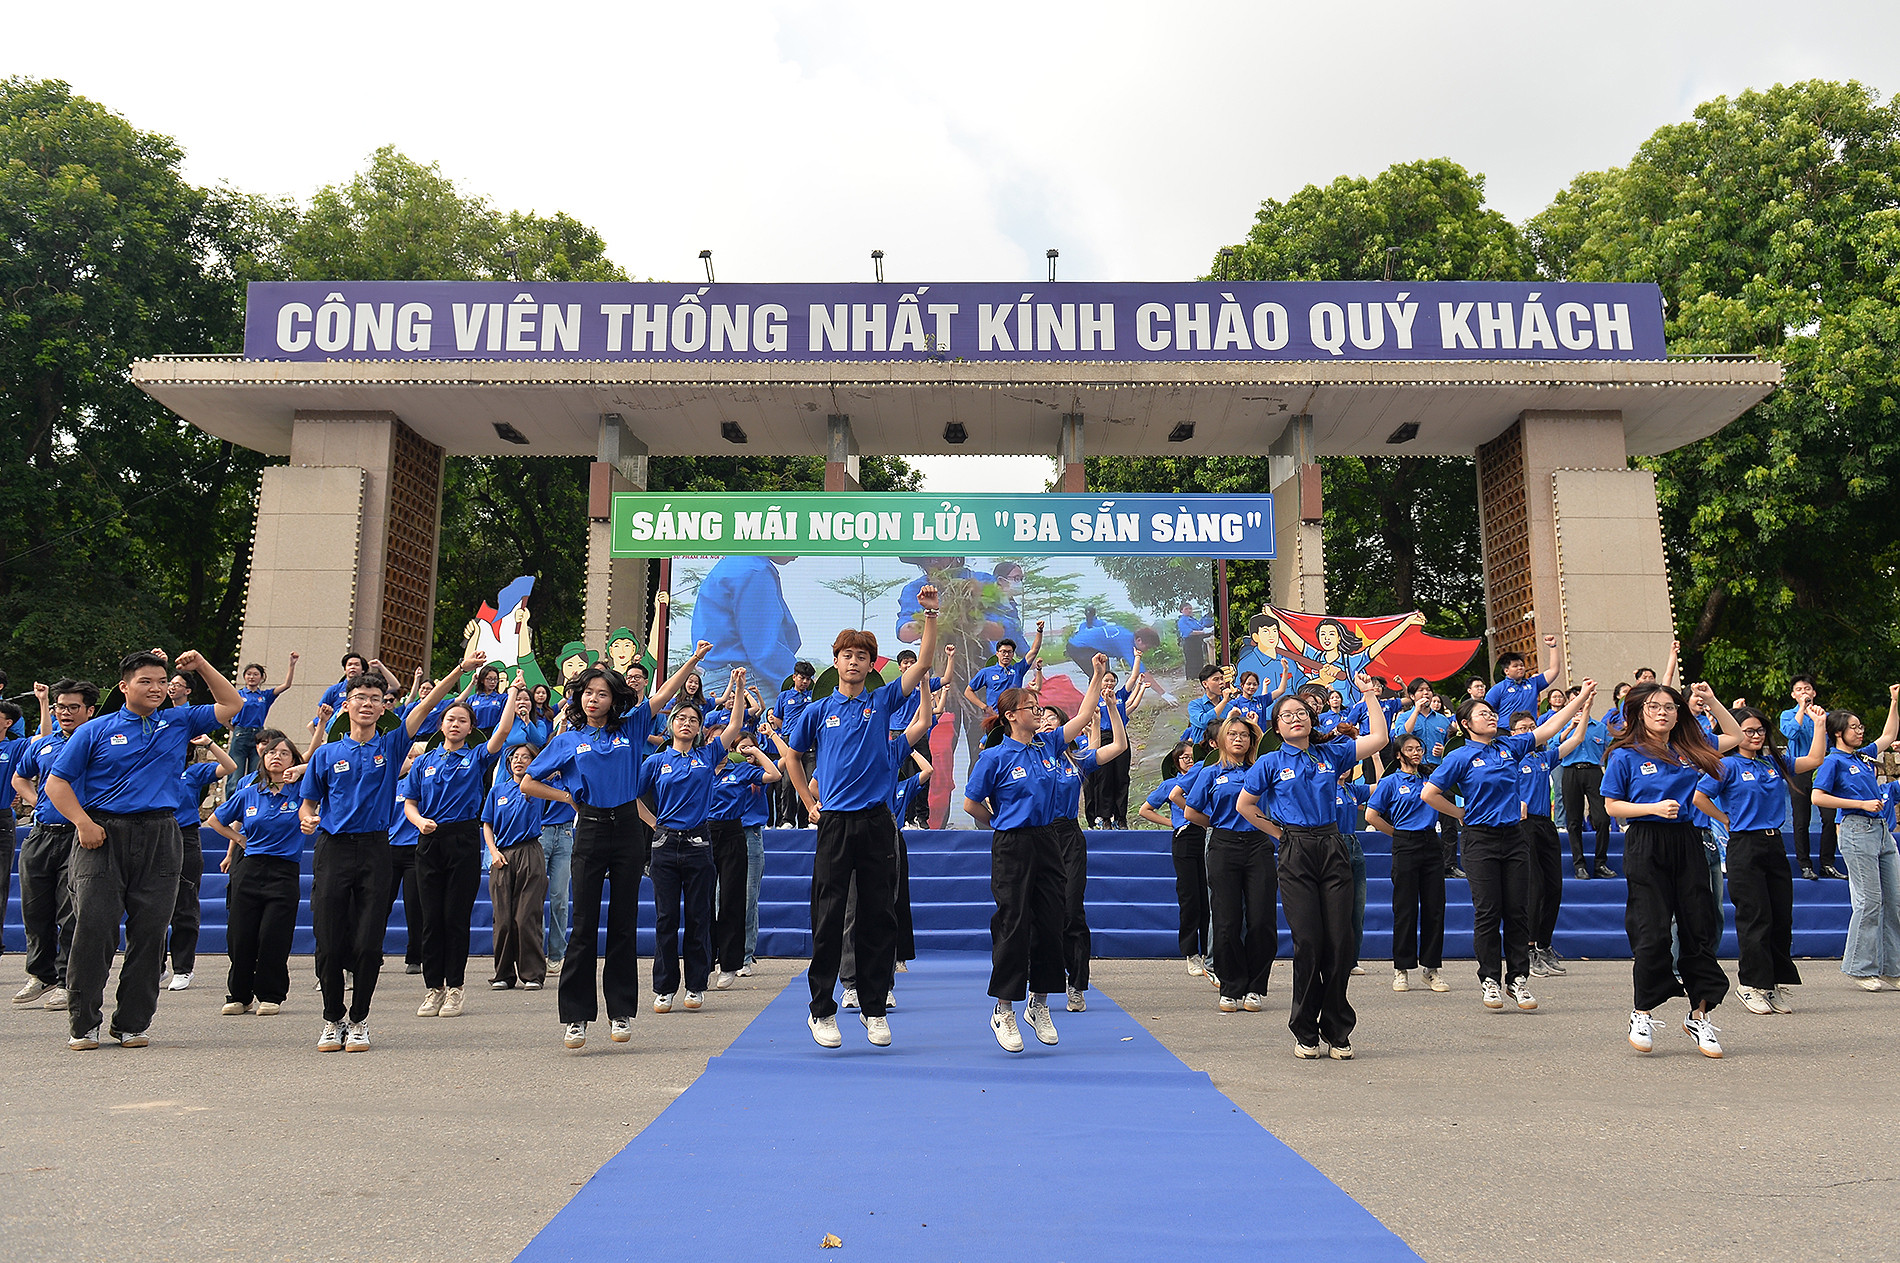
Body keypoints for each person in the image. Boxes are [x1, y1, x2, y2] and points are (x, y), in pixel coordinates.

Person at [44, 649, 242, 1050]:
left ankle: (132, 1022)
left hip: (161, 834)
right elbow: (57, 784)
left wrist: (202, 665)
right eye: (144, 681)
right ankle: (84, 1023)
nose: (155, 688)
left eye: (161, 681)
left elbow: (232, 703)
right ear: (124, 686)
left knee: (151, 933)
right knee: (95, 930)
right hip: (102, 834)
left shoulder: (177, 721)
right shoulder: (95, 730)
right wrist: (83, 823)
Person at [522, 642, 710, 1051]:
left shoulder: (632, 727)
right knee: (583, 925)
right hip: (588, 828)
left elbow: (661, 696)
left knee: (623, 924)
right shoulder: (568, 739)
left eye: (602, 693)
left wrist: (691, 661)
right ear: (578, 698)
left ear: (614, 699)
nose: (594, 699)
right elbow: (529, 782)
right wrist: (568, 798)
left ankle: (621, 1012)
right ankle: (575, 1019)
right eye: (588, 693)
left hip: (627, 828)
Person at [783, 588, 941, 1050]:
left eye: (862, 656)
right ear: (836, 661)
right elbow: (793, 757)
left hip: (876, 824)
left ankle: (874, 1008)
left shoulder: (884, 701)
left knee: (878, 917)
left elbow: (924, 664)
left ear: (873, 664)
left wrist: (929, 614)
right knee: (830, 917)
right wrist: (807, 803)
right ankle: (821, 1011)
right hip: (833, 823)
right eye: (846, 655)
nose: (853, 662)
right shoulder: (818, 710)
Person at [299, 654, 477, 1053]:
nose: (367, 704)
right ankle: (332, 1019)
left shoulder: (393, 744)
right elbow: (308, 804)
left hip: (375, 849)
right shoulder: (328, 753)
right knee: (328, 942)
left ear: (384, 707)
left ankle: (359, 1020)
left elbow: (429, 705)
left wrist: (459, 671)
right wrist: (308, 818)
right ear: (347, 704)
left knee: (367, 943)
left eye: (375, 698)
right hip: (333, 849)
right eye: (359, 697)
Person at [1235, 676, 1389, 1060]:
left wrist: (1369, 695)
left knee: (1340, 941)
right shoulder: (1269, 763)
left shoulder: (1331, 754)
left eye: (1301, 713)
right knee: (1308, 942)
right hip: (1296, 851)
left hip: (1333, 845)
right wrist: (1280, 835)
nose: (1295, 719)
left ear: (1311, 719)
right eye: (1286, 715)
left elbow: (1380, 740)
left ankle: (1337, 1028)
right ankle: (1305, 1029)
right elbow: (1245, 807)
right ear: (1277, 726)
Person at [1421, 682, 1596, 1015]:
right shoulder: (1459, 756)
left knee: (1517, 910)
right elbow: (1429, 794)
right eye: (1482, 714)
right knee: (1488, 911)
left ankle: (1517, 978)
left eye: (1491, 712)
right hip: (1479, 840)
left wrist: (1581, 701)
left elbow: (1551, 728)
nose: (1489, 716)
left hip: (1514, 838)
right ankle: (1489, 978)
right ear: (1465, 725)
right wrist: (1460, 814)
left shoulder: (1509, 747)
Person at [963, 655, 1106, 1053]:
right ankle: (1004, 1009)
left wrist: (1095, 677)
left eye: (1039, 707)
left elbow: (1083, 714)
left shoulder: (1049, 746)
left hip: (1048, 841)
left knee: (1051, 920)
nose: (1038, 712)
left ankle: (1039, 1003)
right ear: (1010, 716)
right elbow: (972, 804)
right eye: (1031, 708)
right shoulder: (995, 757)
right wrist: (1000, 823)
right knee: (1013, 922)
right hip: (1012, 844)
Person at [1601, 680, 1741, 1059]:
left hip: (1688, 842)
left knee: (1699, 928)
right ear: (1639, 713)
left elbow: (1735, 734)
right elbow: (1613, 806)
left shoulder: (1689, 749)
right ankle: (1642, 1012)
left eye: (1669, 707)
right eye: (1653, 707)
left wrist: (1711, 699)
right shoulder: (1626, 755)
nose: (1662, 712)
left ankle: (1699, 1015)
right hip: (1646, 842)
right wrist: (1652, 808)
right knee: (1651, 929)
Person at [1691, 704, 1827, 1014]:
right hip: (1744, 846)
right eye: (1749, 731)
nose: (1756, 735)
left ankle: (1771, 983)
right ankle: (1750, 984)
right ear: (1737, 734)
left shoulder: (1772, 763)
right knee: (1755, 917)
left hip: (1774, 844)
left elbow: (1815, 759)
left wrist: (1819, 725)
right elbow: (1699, 797)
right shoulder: (1727, 765)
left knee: (1780, 916)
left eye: (1760, 730)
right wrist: (1725, 819)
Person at [406, 680, 522, 1019]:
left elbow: (502, 730)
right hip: (429, 839)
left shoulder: (475, 758)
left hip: (463, 839)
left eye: (462, 720)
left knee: (455, 917)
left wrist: (513, 692)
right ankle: (433, 989)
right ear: (441, 724)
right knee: (431, 919)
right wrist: (419, 822)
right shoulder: (424, 761)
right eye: (450, 719)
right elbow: (409, 802)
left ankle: (455, 988)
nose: (454, 724)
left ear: (471, 728)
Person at [643, 675, 740, 1014]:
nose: (687, 724)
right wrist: (653, 822)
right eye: (681, 719)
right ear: (671, 725)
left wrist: (738, 689)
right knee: (666, 917)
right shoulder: (655, 762)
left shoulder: (708, 754)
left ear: (700, 727)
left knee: (699, 917)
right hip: (665, 845)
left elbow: (736, 724)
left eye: (693, 720)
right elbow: (634, 796)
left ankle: (696, 984)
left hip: (699, 844)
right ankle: (665, 987)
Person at [206, 729, 307, 1017]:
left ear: (293, 761)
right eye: (272, 752)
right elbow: (216, 820)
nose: (277, 757)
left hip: (284, 870)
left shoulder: (302, 792)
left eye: (284, 753)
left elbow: (322, 766)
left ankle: (270, 994)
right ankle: (239, 994)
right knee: (241, 935)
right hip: (250, 868)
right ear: (262, 758)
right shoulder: (249, 792)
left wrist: (301, 770)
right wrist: (238, 840)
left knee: (273, 935)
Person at [11, 679, 96, 1011]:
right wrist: (38, 801)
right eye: (60, 707)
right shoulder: (42, 744)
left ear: (89, 710)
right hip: (40, 834)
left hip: (77, 835)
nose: (65, 713)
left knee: (70, 910)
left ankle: (65, 979)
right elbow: (21, 777)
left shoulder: (97, 741)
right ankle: (40, 973)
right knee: (34, 908)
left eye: (73, 707)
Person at [1807, 689, 1900, 991]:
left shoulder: (1862, 756)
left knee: (1894, 900)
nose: (1860, 731)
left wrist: (1894, 702)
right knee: (1869, 901)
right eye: (1854, 727)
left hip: (1882, 832)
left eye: (1861, 727)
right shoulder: (1833, 761)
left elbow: (1888, 735)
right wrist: (1859, 804)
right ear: (1837, 732)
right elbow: (1817, 796)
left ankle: (1891, 967)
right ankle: (1861, 968)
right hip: (1856, 829)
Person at [1183, 712, 1274, 1015]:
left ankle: (1255, 987)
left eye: (1244, 735)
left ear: (1252, 741)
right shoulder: (1211, 772)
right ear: (1222, 739)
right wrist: (1219, 824)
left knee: (1261, 919)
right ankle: (1231, 986)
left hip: (1258, 845)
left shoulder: (1261, 769)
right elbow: (1191, 812)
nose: (1238, 739)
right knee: (1226, 919)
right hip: (1223, 845)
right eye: (1232, 734)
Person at [1042, 693, 1126, 1011]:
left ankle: (1076, 984)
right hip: (1038, 837)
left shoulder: (1077, 760)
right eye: (1041, 718)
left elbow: (1117, 746)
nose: (1046, 721)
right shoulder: (1031, 757)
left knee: (1072, 910)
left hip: (1069, 837)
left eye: (1053, 718)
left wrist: (1113, 709)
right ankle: (1041, 982)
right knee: (1041, 913)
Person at [1366, 733, 1448, 994]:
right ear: (1399, 754)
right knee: (1405, 908)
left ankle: (1431, 969)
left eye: (1419, 748)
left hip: (1431, 843)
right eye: (1410, 749)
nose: (1416, 752)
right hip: (1404, 842)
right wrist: (1396, 834)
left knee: (1435, 907)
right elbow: (1371, 814)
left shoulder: (1430, 779)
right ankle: (1401, 968)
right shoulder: (1390, 782)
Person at [707, 727, 781, 987]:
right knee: (715, 899)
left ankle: (744, 957)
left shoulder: (745, 770)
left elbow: (778, 770)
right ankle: (715, 957)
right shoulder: (705, 769)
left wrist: (757, 751)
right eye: (740, 747)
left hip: (748, 836)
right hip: (711, 834)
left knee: (746, 899)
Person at [163, 735, 236, 991]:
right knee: (152, 903)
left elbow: (229, 767)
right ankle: (156, 964)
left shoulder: (192, 773)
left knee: (184, 903)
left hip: (185, 836)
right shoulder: (150, 769)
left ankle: (183, 968)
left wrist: (210, 744)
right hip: (155, 834)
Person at [1517, 711, 1585, 978]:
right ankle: (1528, 947)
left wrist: (1586, 708)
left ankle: (1544, 945)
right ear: (1514, 733)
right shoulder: (1510, 758)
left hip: (1546, 824)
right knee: (1534, 887)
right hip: (1523, 824)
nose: (1529, 731)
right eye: (1523, 728)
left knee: (1553, 886)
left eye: (1532, 727)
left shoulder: (1542, 757)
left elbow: (1576, 740)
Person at [1141, 741, 1211, 980]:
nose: (1189, 760)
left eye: (1192, 756)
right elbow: (1145, 810)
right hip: (1186, 838)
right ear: (1176, 762)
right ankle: (1191, 952)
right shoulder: (1171, 785)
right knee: (1190, 896)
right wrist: (1173, 823)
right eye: (1184, 758)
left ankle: (1210, 951)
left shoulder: (1207, 776)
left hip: (1210, 836)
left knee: (1209, 896)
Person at [485, 743, 549, 991]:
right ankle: (503, 973)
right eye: (515, 757)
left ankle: (532, 973)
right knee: (502, 919)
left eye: (526, 757)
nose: (519, 761)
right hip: (502, 855)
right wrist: (493, 852)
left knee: (526, 917)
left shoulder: (538, 788)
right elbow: (487, 824)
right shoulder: (498, 791)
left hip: (530, 851)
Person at [693, 555, 801, 694]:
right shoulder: (754, 570)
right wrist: (800, 684)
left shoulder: (733, 564)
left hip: (717, 680)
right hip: (748, 680)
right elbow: (763, 648)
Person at [1780, 675, 1842, 879]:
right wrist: (1801, 709)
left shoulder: (1825, 715)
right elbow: (1791, 733)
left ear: (1814, 692)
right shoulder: (1787, 714)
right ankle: (1805, 864)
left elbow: (1836, 742)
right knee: (1801, 819)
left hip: (1823, 770)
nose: (1803, 692)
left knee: (1830, 817)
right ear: (1793, 694)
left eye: (1807, 689)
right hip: (1798, 768)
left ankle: (1827, 862)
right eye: (1799, 689)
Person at [1400, 679, 1460, 879]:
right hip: (1413, 772)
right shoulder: (1405, 717)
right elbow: (1401, 736)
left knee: (1448, 819)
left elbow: (1452, 748)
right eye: (1420, 690)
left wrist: (1443, 751)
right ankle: (1420, 864)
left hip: (1439, 770)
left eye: (1428, 690)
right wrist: (1415, 711)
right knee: (1417, 817)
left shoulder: (1443, 720)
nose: (1425, 693)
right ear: (1412, 695)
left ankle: (1449, 864)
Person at [1558, 685, 1614, 878]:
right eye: (1576, 701)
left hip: (1593, 772)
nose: (1580, 706)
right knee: (1573, 820)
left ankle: (1600, 862)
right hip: (1570, 771)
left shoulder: (1600, 727)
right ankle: (1579, 864)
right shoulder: (1562, 724)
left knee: (1603, 818)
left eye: (1583, 701)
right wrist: (1571, 727)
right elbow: (1554, 746)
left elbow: (1610, 750)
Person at [229, 654, 299, 782]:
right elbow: (223, 713)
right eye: (249, 674)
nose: (252, 677)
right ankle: (233, 800)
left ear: (261, 678)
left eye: (256, 674)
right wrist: (234, 729)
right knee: (235, 773)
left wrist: (292, 665)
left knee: (257, 772)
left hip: (259, 735)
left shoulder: (265, 695)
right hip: (240, 733)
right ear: (244, 676)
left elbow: (286, 685)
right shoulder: (237, 694)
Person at [770, 662, 817, 828]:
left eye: (808, 679)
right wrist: (791, 732)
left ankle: (806, 820)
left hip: (811, 743)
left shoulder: (814, 696)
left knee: (811, 782)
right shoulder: (784, 696)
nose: (805, 681)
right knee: (788, 783)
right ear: (794, 677)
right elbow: (776, 718)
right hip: (790, 743)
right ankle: (788, 820)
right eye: (802, 678)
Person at [964, 626, 1044, 719]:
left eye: (1009, 652)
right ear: (997, 653)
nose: (1006, 655)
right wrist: (985, 707)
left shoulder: (1018, 669)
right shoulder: (986, 672)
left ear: (1013, 654)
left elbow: (1034, 651)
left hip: (1016, 717)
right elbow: (968, 691)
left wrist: (1039, 630)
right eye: (1003, 652)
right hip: (996, 718)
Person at [1484, 635, 1562, 727]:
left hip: (1529, 732)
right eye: (1515, 666)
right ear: (1506, 671)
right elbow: (1485, 711)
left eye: (1521, 665)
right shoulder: (1498, 689)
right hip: (1506, 734)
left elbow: (1554, 670)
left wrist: (1553, 646)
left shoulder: (1533, 683)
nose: (1520, 668)